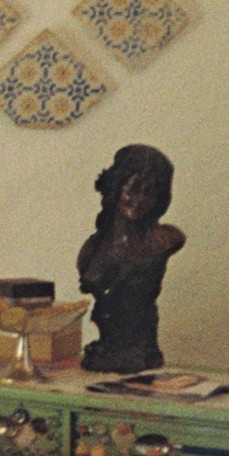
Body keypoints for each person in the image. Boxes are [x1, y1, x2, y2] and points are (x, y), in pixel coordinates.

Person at [77, 143, 184, 373]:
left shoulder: (163, 240)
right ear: (116, 189)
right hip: (104, 352)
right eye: (133, 189)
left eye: (149, 193)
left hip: (142, 355)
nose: (139, 200)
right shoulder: (92, 249)